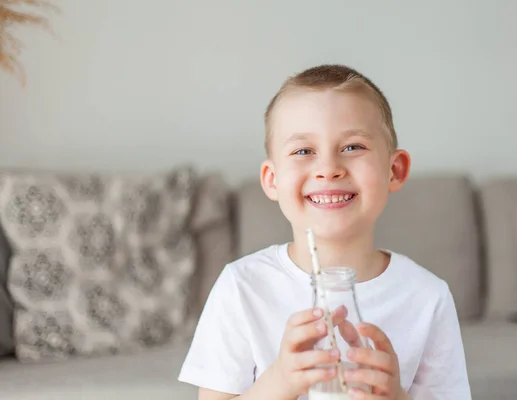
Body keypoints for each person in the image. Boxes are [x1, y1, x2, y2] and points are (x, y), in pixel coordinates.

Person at [178, 64, 472, 400]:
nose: (329, 169)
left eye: (352, 147)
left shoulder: (428, 298)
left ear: (394, 170)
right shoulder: (242, 287)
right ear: (272, 180)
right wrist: (280, 383)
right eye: (304, 151)